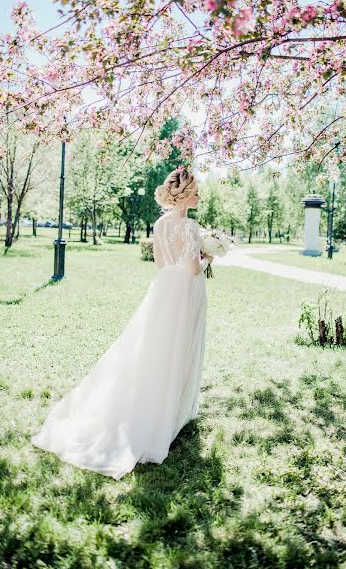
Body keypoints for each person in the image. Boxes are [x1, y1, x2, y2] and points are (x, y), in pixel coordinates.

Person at [31, 167, 213, 480]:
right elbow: (195, 269)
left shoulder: (159, 224)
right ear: (184, 195)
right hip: (185, 291)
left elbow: (160, 263)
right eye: (195, 191)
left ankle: (163, 405)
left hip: (164, 289)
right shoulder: (190, 226)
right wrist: (212, 255)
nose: (198, 195)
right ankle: (174, 412)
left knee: (155, 348)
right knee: (181, 346)